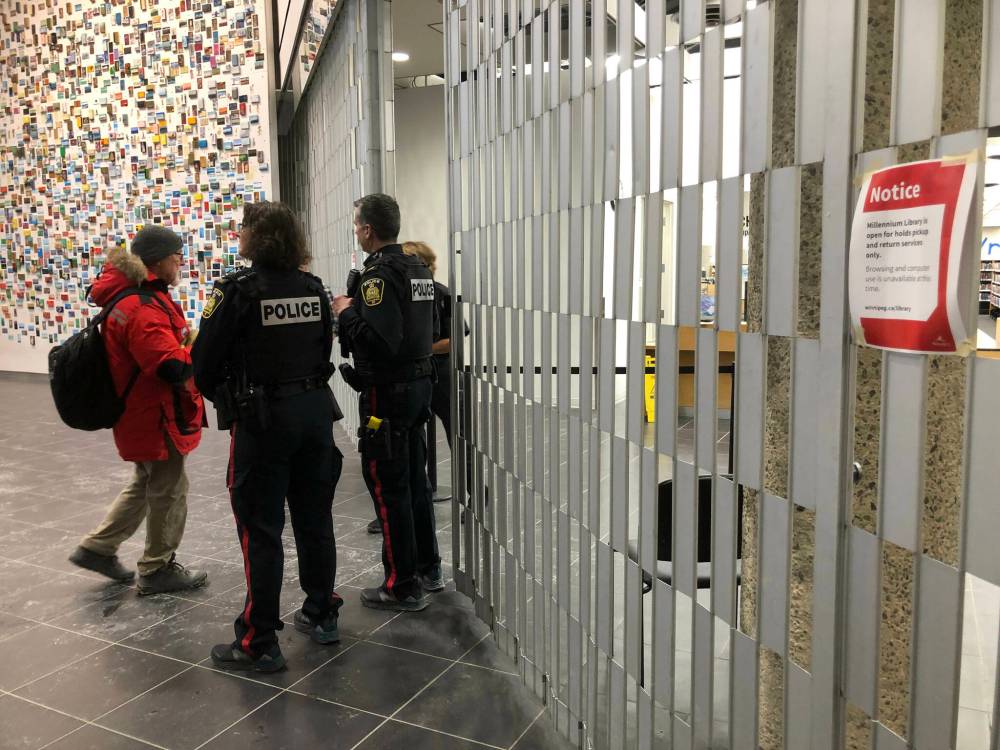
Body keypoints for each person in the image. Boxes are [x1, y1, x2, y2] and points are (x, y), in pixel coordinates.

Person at [192, 201, 344, 673]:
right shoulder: (313, 289)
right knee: (315, 518)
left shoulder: (236, 291)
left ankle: (258, 641)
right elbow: (324, 347)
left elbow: (203, 364)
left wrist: (232, 396)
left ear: (253, 237)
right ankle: (321, 613)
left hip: (263, 422)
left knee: (260, 529)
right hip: (315, 414)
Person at [68, 225, 209, 596]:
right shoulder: (141, 307)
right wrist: (198, 347)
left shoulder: (139, 297)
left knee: (146, 482)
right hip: (155, 415)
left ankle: (97, 548)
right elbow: (170, 367)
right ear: (158, 260)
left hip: (143, 413)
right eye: (177, 256)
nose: (181, 263)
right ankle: (157, 568)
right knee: (169, 488)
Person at [332, 193, 442, 611]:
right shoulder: (418, 269)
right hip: (419, 386)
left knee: (389, 485)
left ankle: (401, 585)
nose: (356, 232)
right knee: (414, 480)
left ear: (367, 230)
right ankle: (428, 568)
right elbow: (430, 330)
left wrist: (345, 312)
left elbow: (382, 341)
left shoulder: (376, 277)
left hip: (388, 392)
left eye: (356, 226)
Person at [366, 240, 455, 536]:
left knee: (457, 437)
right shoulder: (406, 289)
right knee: (413, 449)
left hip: (438, 374)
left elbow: (453, 338)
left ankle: (476, 498)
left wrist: (418, 347)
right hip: (417, 376)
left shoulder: (441, 292)